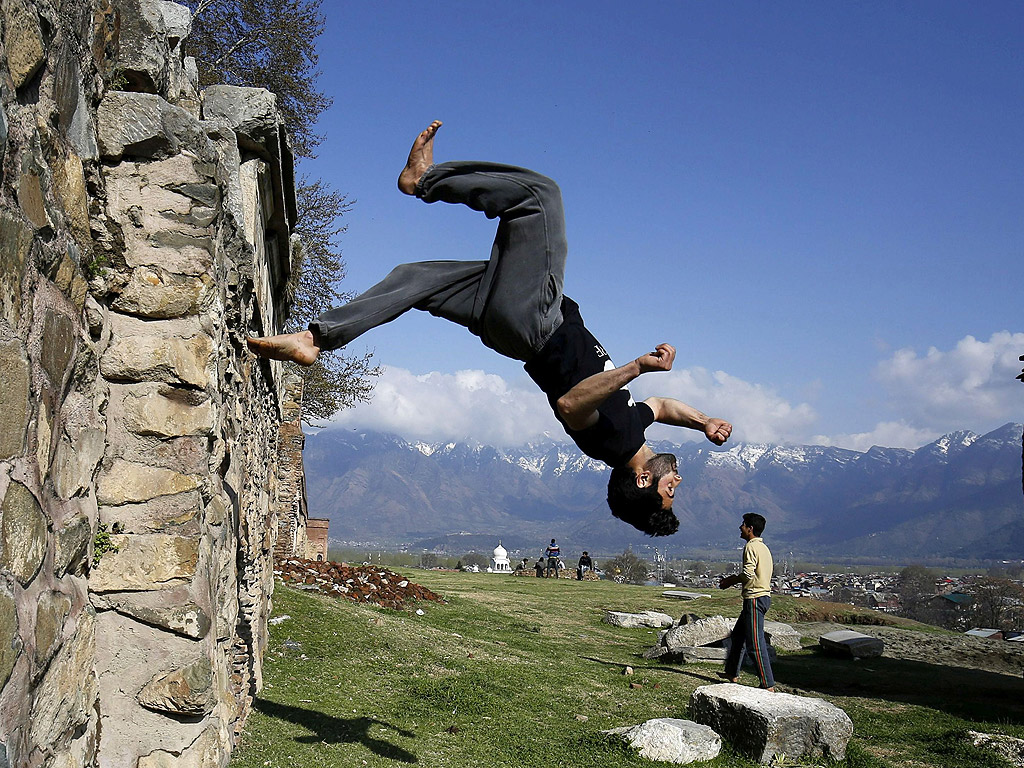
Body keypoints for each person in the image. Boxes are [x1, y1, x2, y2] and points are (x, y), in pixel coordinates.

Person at [247, 121, 733, 536]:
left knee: (538, 198)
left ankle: (425, 180)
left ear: (645, 483)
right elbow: (665, 406)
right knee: (417, 279)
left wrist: (634, 368)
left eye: (670, 493)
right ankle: (315, 340)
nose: (678, 483)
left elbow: (570, 404)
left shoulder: (608, 441)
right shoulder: (635, 426)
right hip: (514, 325)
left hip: (535, 323)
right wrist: (705, 420)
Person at [718, 513, 775, 691]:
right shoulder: (764, 548)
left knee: (755, 644)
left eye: (743, 524)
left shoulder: (751, 547)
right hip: (762, 597)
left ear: (750, 529)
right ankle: (731, 672)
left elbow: (748, 574)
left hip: (754, 599)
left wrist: (731, 580)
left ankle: (767, 683)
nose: (740, 527)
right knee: (738, 636)